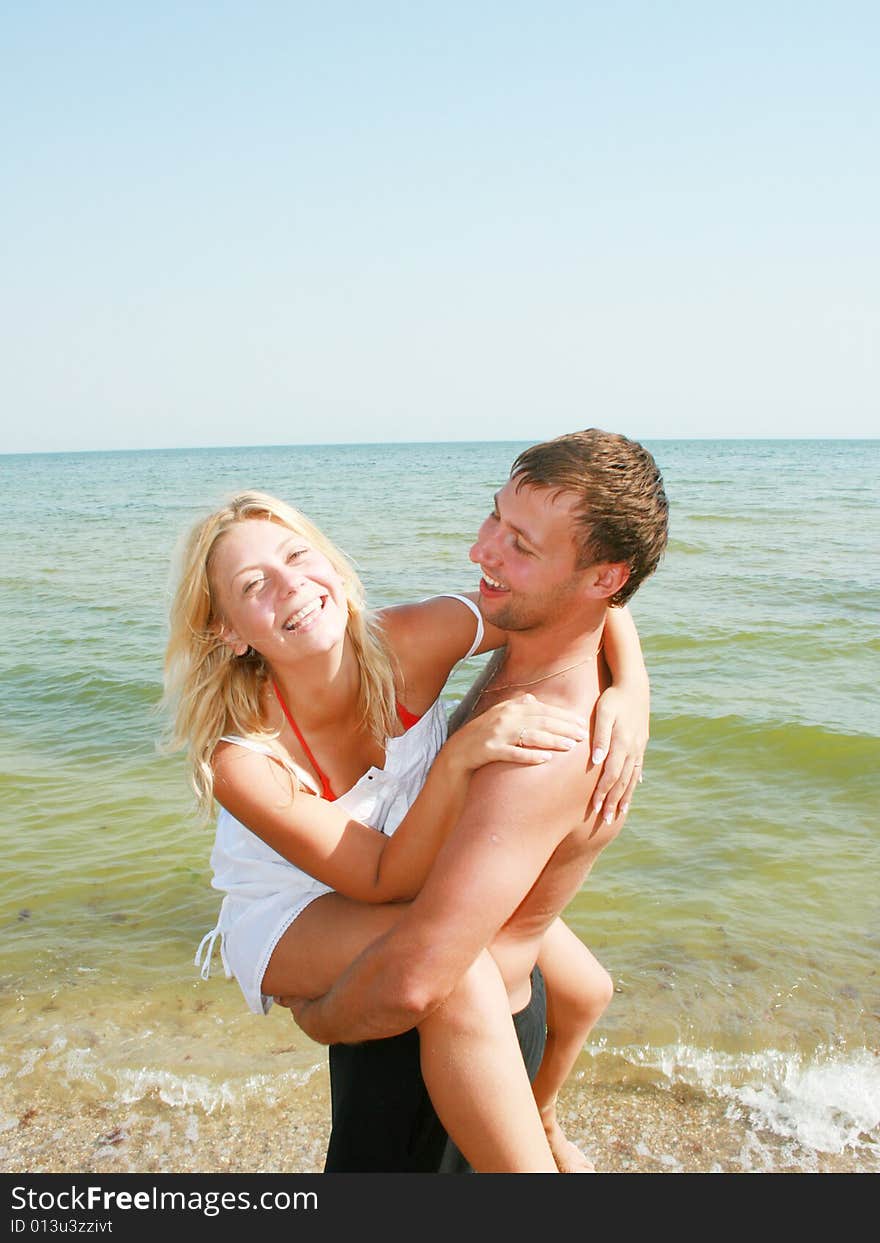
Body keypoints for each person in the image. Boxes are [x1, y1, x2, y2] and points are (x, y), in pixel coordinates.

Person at [163, 457, 650, 1172]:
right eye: (253, 586)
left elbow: (566, 594)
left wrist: (632, 691)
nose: (291, 585)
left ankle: (541, 1116)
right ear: (229, 632)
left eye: (298, 556)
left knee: (586, 990)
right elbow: (380, 878)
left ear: (329, 562)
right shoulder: (245, 762)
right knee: (462, 975)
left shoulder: (413, 636)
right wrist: (457, 761)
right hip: (299, 905)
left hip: (403, 860)